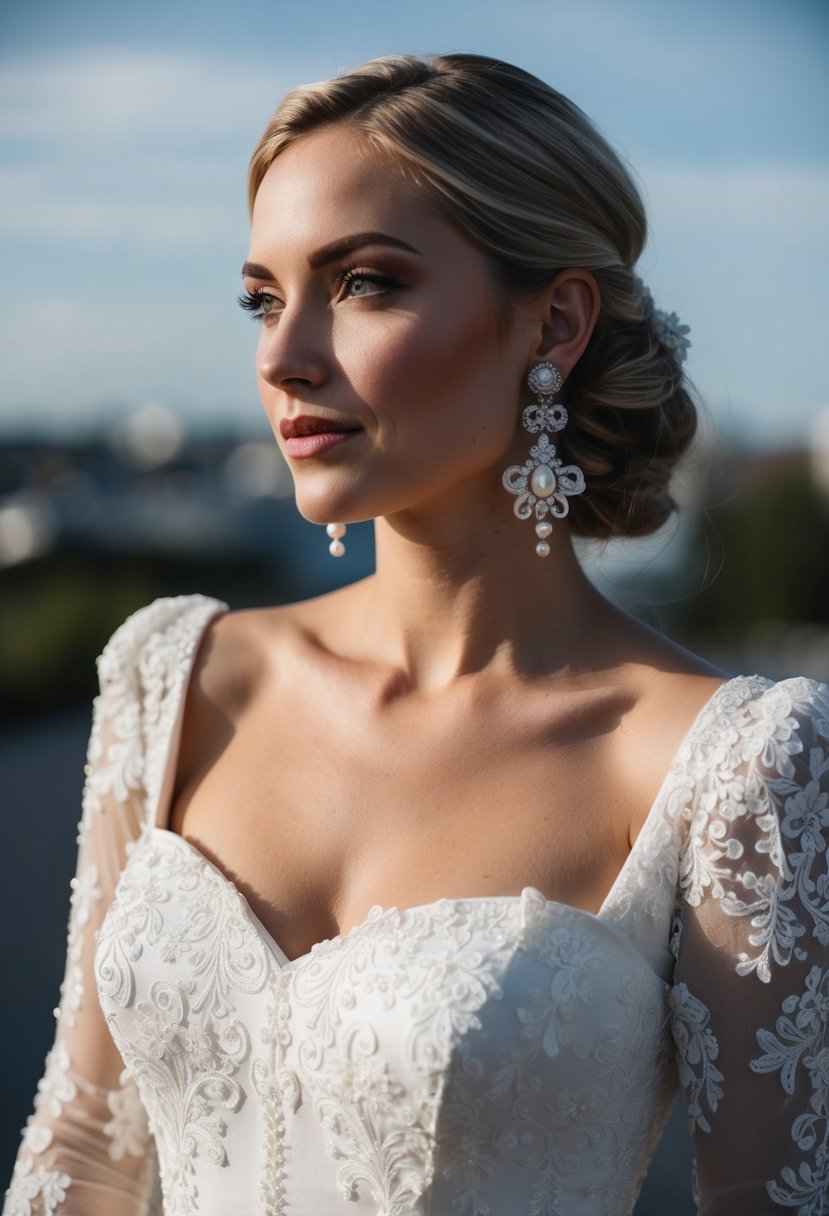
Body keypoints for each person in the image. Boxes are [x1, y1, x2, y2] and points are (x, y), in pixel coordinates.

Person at [4, 52, 828, 1216]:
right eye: (262, 295)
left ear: (553, 319)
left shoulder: (730, 762)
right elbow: (84, 1149)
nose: (282, 354)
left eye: (364, 284)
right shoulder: (173, 679)